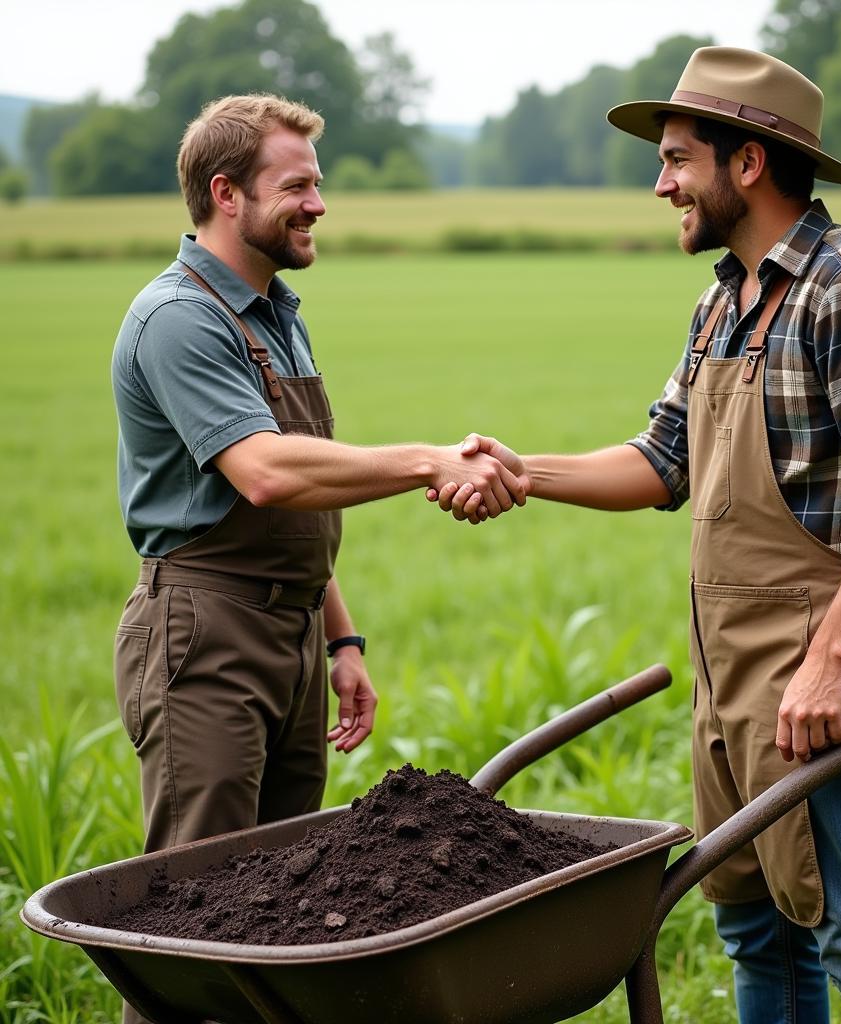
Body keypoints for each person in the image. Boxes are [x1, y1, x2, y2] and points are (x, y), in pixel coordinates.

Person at [430, 48, 841, 1023]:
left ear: (745, 162)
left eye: (675, 158)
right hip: (737, 680)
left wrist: (829, 659)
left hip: (839, 679)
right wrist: (520, 470)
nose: (660, 182)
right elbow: (662, 460)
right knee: (759, 932)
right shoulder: (724, 301)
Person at [111, 93, 526, 1022]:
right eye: (296, 185)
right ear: (226, 193)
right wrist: (428, 459)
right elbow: (263, 472)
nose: (318, 204)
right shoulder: (179, 318)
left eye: (317, 184)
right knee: (194, 914)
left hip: (292, 633)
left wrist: (341, 641)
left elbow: (305, 497)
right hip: (205, 638)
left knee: (281, 904)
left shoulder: (275, 313)